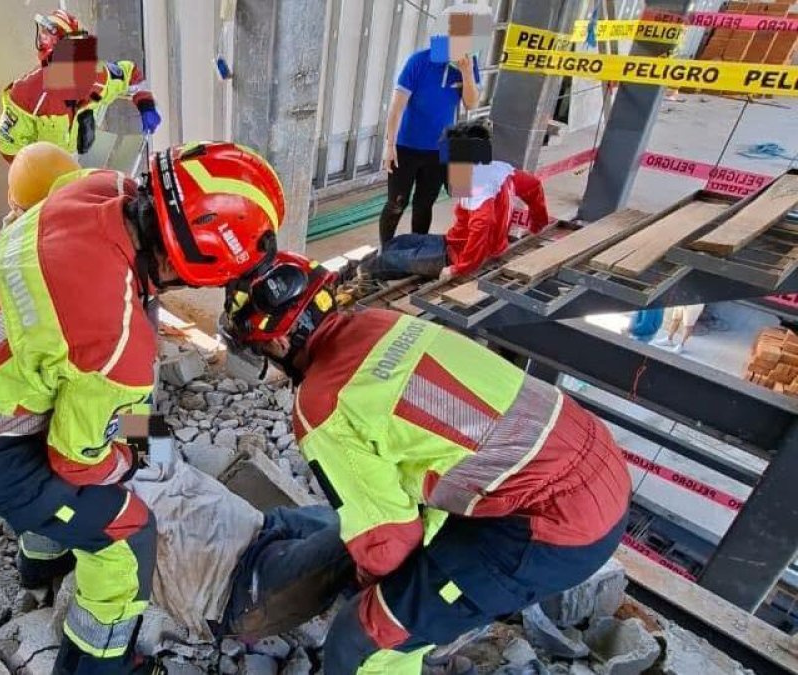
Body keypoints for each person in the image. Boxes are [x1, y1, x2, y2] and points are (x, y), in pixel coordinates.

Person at [0, 141, 285, 674]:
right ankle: (99, 663)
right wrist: (127, 465)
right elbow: (76, 461)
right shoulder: (115, 340)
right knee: (127, 534)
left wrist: (142, 435)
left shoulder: (100, 189)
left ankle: (42, 565)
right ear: (197, 269)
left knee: (145, 429)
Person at [220, 252, 632, 675]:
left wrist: (368, 591)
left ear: (278, 343)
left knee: (362, 638)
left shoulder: (322, 405)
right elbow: (425, 474)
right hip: (589, 456)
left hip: (552, 523)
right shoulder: (381, 324)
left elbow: (389, 538)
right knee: (406, 602)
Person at [126, 459, 353, 642]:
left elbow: (138, 418)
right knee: (356, 536)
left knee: (362, 521)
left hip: (266, 524)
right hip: (235, 587)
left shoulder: (143, 446)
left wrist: (119, 421)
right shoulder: (105, 509)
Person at [364, 121, 549, 282]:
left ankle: (361, 275)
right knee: (398, 243)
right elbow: (534, 186)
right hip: (454, 241)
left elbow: (482, 224)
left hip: (458, 255)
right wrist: (538, 224)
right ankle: (385, 267)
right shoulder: (501, 170)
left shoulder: (477, 186)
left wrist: (459, 268)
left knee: (383, 262)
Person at [0, 9, 160, 163]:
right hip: (44, 174)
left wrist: (146, 105)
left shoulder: (99, 78)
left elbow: (130, 75)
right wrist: (34, 173)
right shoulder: (28, 94)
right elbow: (5, 142)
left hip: (78, 163)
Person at [378, 4, 483, 244]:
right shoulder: (418, 62)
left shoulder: (468, 65)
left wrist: (467, 74)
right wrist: (389, 144)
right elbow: (397, 107)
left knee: (424, 203)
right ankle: (386, 250)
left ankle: (417, 249)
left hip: (437, 150)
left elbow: (471, 104)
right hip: (406, 147)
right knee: (396, 203)